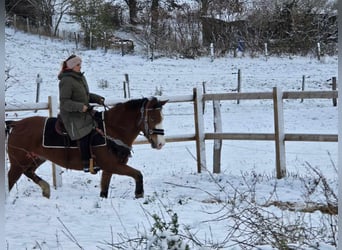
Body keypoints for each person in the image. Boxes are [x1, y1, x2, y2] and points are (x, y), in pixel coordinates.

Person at [58, 54, 105, 173]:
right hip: (72, 116)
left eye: (80, 64)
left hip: (83, 112)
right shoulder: (66, 80)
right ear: (71, 66)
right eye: (78, 65)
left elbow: (85, 96)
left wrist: (97, 98)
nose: (80, 67)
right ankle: (86, 163)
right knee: (84, 133)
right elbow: (64, 102)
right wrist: (81, 107)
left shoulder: (80, 78)